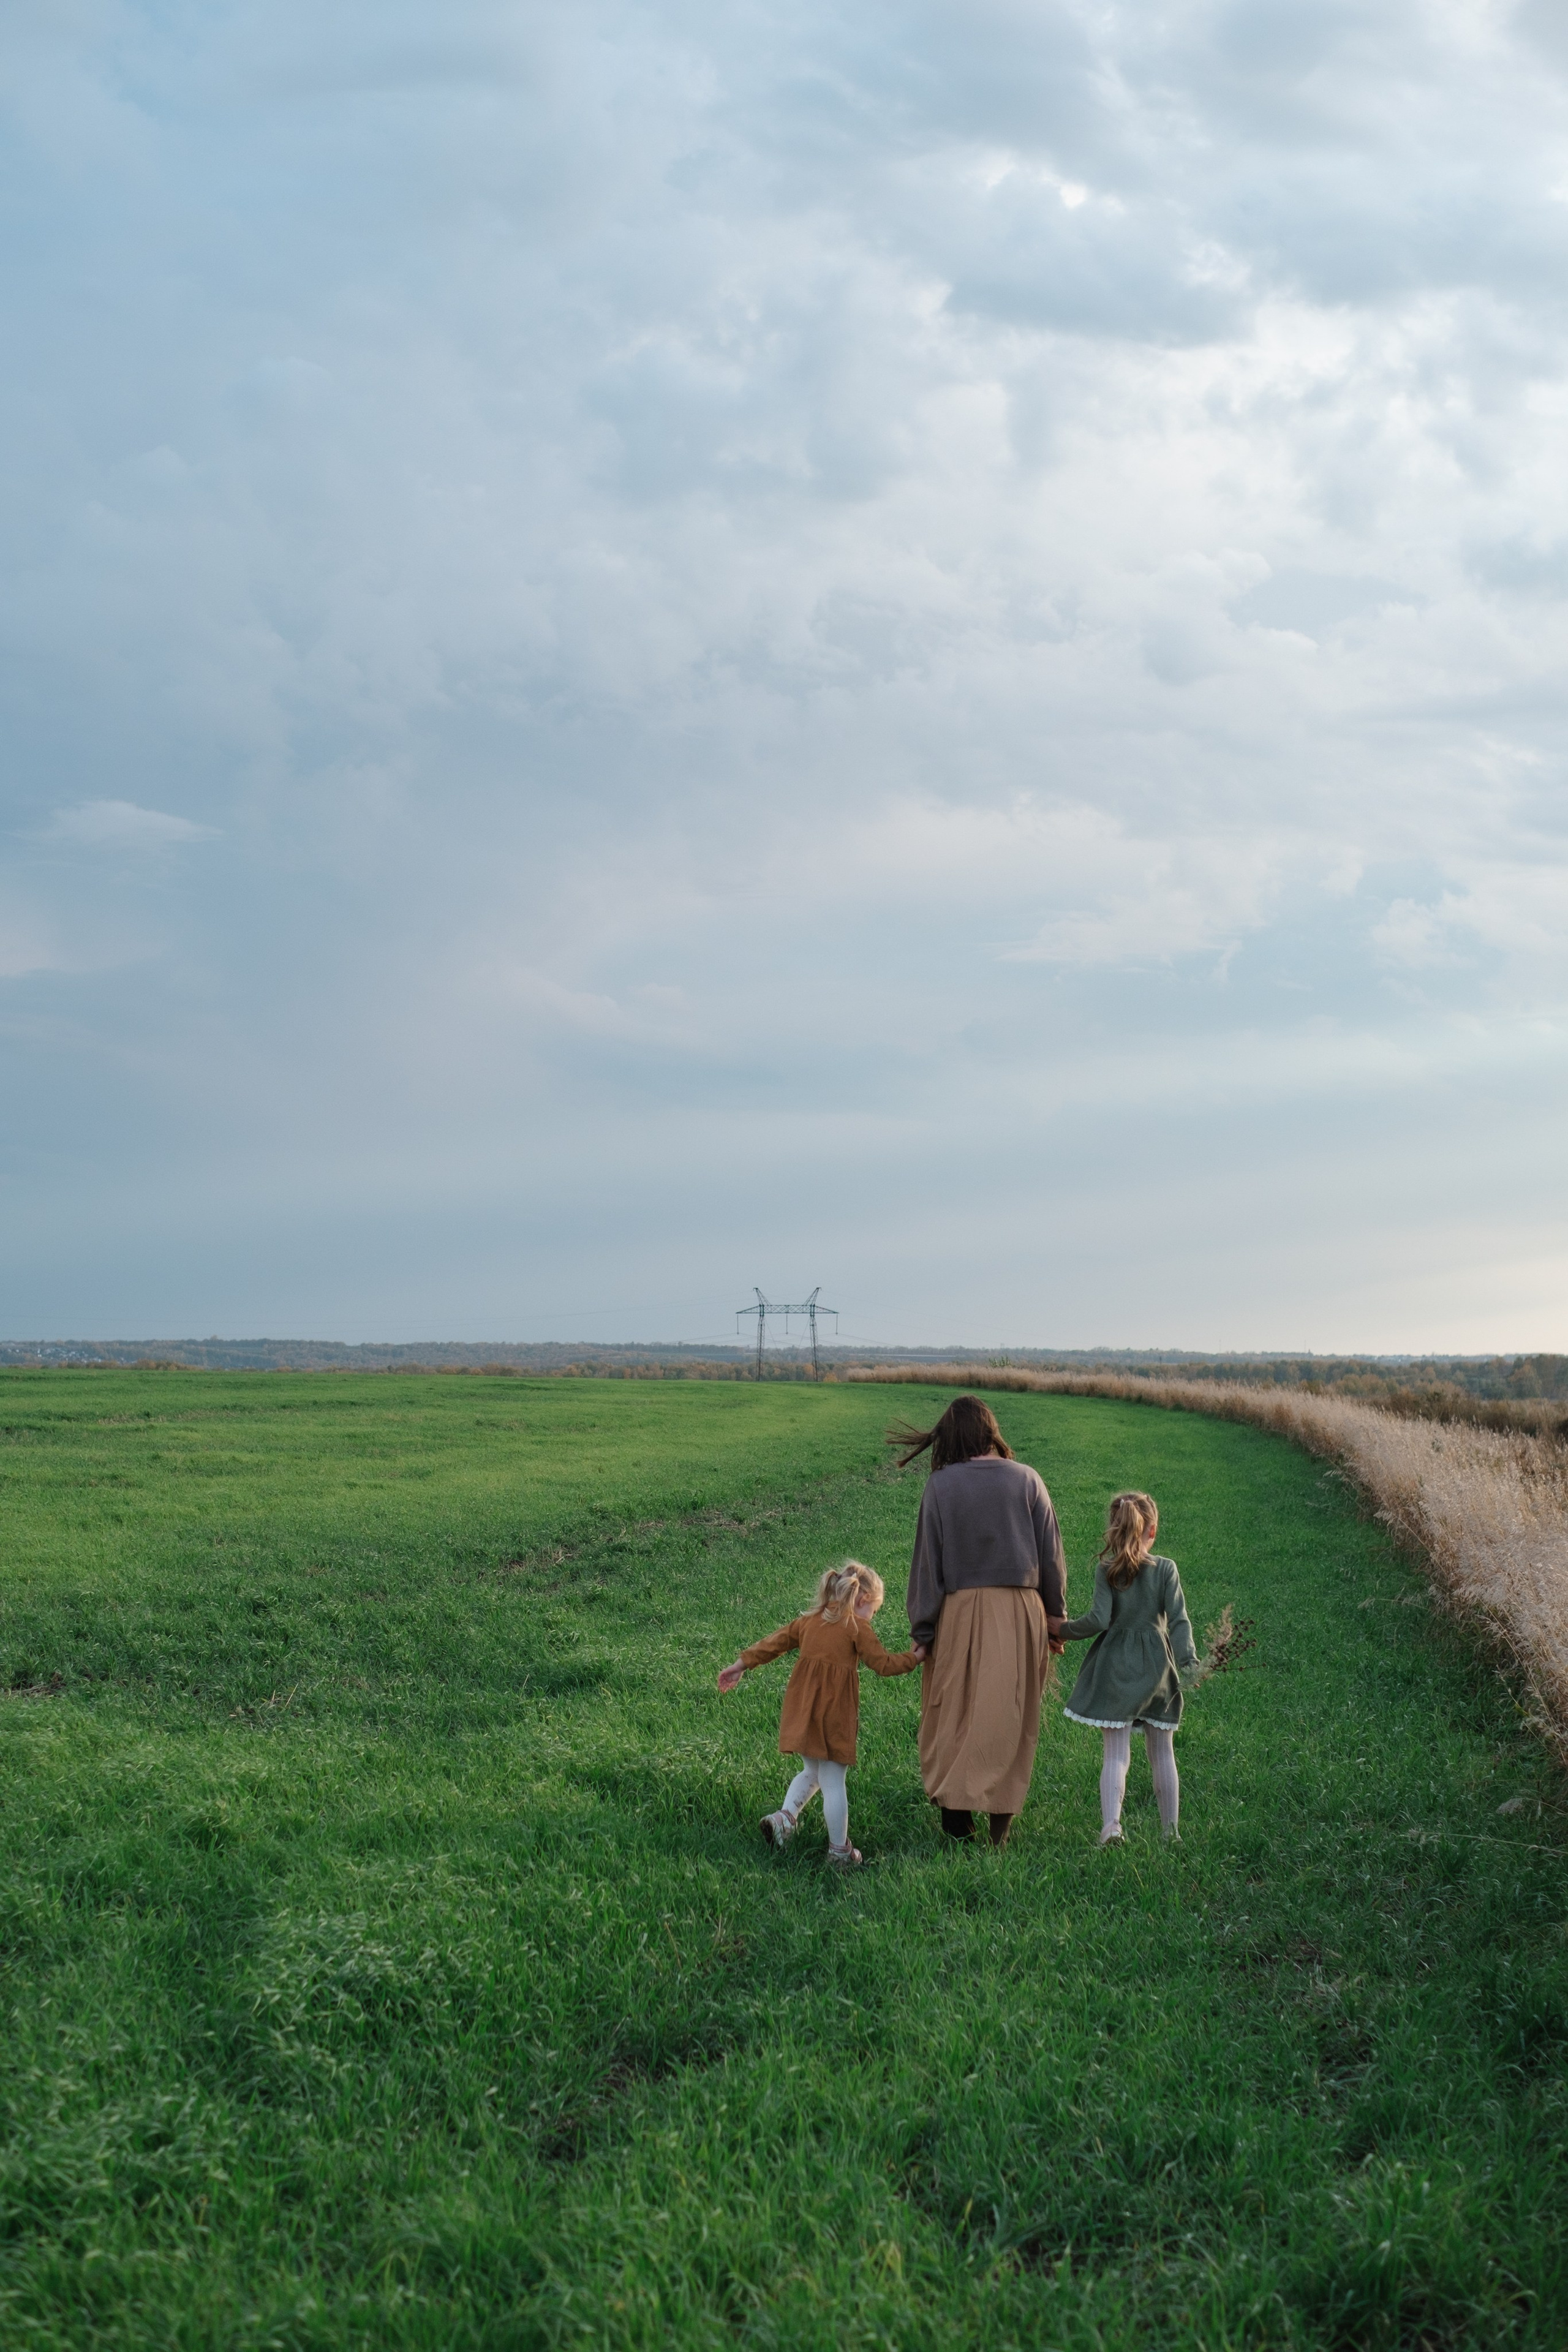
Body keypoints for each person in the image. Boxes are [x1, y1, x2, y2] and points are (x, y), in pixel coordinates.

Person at [894, 1395, 1067, 1848]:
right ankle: (999, 1830)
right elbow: (1052, 1557)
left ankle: (956, 1812)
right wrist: (1055, 1619)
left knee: (952, 1712)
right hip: (1022, 1612)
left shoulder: (940, 1486)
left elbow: (927, 1565)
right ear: (990, 1432)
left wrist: (923, 1631)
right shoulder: (1029, 1480)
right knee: (1010, 1715)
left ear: (951, 1438)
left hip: (959, 1612)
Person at [717, 1561, 918, 1868]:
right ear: (863, 1600)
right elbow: (884, 1665)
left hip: (804, 1709)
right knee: (834, 1778)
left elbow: (776, 1643)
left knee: (813, 1771)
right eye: (874, 1611)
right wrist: (915, 1657)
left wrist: (741, 1664)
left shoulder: (810, 1620)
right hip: (834, 1713)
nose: (872, 1618)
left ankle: (784, 1820)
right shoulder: (857, 1626)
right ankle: (840, 1852)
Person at [1058, 1489, 1197, 1846]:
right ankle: (1171, 1833)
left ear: (1115, 1528)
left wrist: (1062, 1630)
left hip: (1115, 1669)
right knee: (1163, 1752)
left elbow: (1098, 1620)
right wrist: (1188, 1661)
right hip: (1158, 1672)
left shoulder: (1107, 1569)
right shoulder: (1166, 1569)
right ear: (1152, 1531)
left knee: (1116, 1754)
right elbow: (1179, 1621)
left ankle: (1112, 1827)